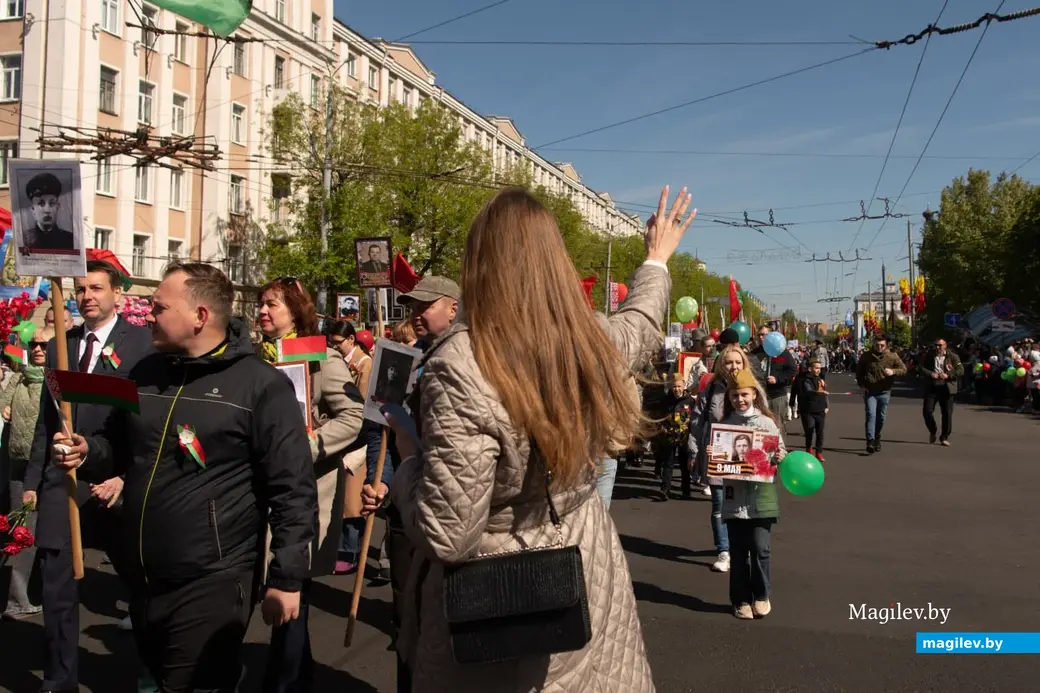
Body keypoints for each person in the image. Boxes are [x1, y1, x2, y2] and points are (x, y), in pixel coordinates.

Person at [363, 184, 695, 692]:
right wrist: (655, 259)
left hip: (495, 590)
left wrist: (408, 465)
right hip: (584, 559)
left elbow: (450, 534)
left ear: (479, 266)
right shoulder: (592, 340)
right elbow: (643, 323)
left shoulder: (462, 363)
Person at [52, 263, 317, 692]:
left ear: (200, 316)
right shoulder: (145, 372)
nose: (147, 315)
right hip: (143, 576)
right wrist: (86, 452)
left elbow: (293, 489)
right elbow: (117, 449)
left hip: (213, 578)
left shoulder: (260, 387)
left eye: (159, 307)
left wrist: (286, 577)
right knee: (151, 681)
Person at [26, 261, 154, 693]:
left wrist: (124, 474)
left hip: (116, 484)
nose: (86, 296)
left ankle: (150, 671)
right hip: (64, 483)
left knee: (141, 585)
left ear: (118, 294)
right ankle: (59, 678)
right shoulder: (64, 345)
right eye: (80, 289)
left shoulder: (142, 346)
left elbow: (147, 423)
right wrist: (33, 480)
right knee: (57, 582)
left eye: (96, 288)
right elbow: (46, 421)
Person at [256, 277, 366, 693]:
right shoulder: (253, 357)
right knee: (282, 593)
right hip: (259, 489)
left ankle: (283, 681)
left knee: (289, 585)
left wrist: (312, 443)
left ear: (296, 312)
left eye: (273, 305)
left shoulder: (320, 356)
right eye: (261, 305)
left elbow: (353, 417)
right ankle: (297, 677)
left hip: (304, 490)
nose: (263, 312)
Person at [712, 369, 785, 620]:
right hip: (734, 497)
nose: (739, 400)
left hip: (761, 497)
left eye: (744, 394)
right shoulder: (725, 426)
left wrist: (778, 457)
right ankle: (741, 600)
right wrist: (714, 454)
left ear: (754, 394)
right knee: (739, 551)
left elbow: (779, 453)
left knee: (760, 548)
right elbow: (715, 462)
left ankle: (762, 595)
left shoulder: (766, 423)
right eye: (734, 396)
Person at [1, 326, 52, 620]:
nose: (37, 350)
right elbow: (3, 399)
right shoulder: (21, 377)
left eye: (44, 346)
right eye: (33, 344)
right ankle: (17, 599)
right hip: (19, 465)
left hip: (48, 466)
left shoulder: (56, 381)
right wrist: (5, 408)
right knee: (21, 532)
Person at [690, 344, 753, 573]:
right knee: (719, 505)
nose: (733, 366)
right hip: (717, 453)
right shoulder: (711, 389)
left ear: (744, 363)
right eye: (728, 362)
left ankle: (743, 545)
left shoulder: (752, 387)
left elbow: (765, 419)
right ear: (720, 365)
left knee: (744, 503)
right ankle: (724, 550)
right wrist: (700, 445)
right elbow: (697, 418)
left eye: (737, 362)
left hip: (745, 454)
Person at [322, 319, 373, 575]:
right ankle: (342, 550)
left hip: (357, 443)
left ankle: (351, 552)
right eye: (330, 342)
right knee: (342, 501)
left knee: (353, 504)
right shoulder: (341, 362)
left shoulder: (365, 365)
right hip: (344, 443)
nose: (334, 347)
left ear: (351, 340)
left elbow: (360, 408)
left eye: (338, 343)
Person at [855, 334, 907, 454]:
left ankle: (877, 436)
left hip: (885, 391)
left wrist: (893, 371)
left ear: (886, 345)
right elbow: (859, 372)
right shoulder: (867, 356)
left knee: (881, 417)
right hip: (870, 391)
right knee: (870, 414)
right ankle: (870, 440)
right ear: (873, 344)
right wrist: (861, 385)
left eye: (882, 345)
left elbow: (904, 369)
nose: (879, 347)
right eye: (877, 345)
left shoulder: (892, 356)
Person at [654, 371, 695, 501]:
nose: (676, 389)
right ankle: (665, 490)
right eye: (674, 387)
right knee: (668, 464)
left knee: (684, 465)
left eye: (679, 386)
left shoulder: (690, 401)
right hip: (669, 436)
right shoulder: (666, 400)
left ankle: (686, 490)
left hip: (684, 436)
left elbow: (694, 418)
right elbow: (659, 416)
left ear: (684, 385)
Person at [751, 325, 796, 431]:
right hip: (759, 396)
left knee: (776, 427)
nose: (761, 337)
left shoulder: (781, 352)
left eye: (764, 334)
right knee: (759, 427)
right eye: (759, 335)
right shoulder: (754, 353)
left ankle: (778, 447)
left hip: (777, 396)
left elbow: (792, 370)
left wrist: (777, 379)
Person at [919, 338, 963, 446]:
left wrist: (948, 375)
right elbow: (921, 368)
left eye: (940, 345)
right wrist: (931, 374)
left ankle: (944, 437)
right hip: (932, 387)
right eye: (936, 345)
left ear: (945, 346)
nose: (938, 347)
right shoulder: (930, 356)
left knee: (947, 413)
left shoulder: (953, 357)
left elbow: (960, 370)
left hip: (946, 387)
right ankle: (932, 430)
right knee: (927, 412)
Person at [21, 173, 75, 252]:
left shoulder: (70, 240)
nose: (47, 210)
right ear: (33, 209)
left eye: (52, 203)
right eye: (41, 203)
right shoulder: (23, 239)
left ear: (57, 207)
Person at [799, 358, 829, 461]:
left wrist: (827, 406)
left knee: (820, 432)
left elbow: (825, 395)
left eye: (819, 368)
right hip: (809, 410)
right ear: (810, 368)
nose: (818, 370)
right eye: (816, 368)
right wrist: (820, 392)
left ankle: (819, 452)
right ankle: (809, 450)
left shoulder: (821, 379)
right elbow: (809, 391)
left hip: (820, 410)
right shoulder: (806, 380)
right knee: (809, 431)